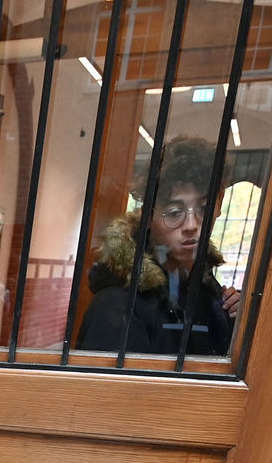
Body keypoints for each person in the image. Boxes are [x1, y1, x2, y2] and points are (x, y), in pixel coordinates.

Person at [74, 135, 242, 358]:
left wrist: (236, 321)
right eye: (174, 212)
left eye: (203, 208)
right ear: (147, 216)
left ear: (218, 204)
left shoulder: (208, 291)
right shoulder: (116, 305)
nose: (191, 225)